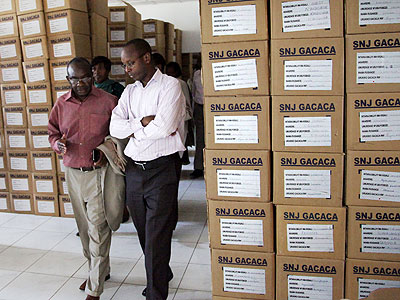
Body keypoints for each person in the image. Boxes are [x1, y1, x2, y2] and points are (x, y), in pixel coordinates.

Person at [110, 39, 186, 300]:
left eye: (130, 62)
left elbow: (164, 128)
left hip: (162, 169)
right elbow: (114, 127)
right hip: (134, 170)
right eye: (123, 64)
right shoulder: (129, 92)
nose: (127, 69)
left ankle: (156, 293)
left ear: (146, 58)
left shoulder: (170, 86)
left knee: (156, 234)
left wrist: (133, 130)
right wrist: (142, 123)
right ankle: (161, 272)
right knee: (143, 231)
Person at [48, 57, 125, 300]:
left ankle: (95, 287)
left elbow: (120, 135)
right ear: (68, 79)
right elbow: (52, 133)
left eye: (86, 78)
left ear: (92, 76)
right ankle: (99, 270)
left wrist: (105, 150)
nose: (81, 83)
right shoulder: (61, 104)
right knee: (83, 229)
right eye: (75, 79)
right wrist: (57, 144)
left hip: (99, 176)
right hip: (72, 174)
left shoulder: (109, 102)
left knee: (98, 229)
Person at [166, 61, 193, 165]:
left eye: (172, 73)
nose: (170, 75)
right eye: (168, 73)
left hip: (180, 121)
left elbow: (187, 106)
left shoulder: (181, 84)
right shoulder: (166, 84)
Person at [190, 63, 204, 178]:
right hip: (200, 106)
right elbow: (194, 93)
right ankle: (199, 167)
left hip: (215, 107)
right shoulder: (197, 74)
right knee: (200, 138)